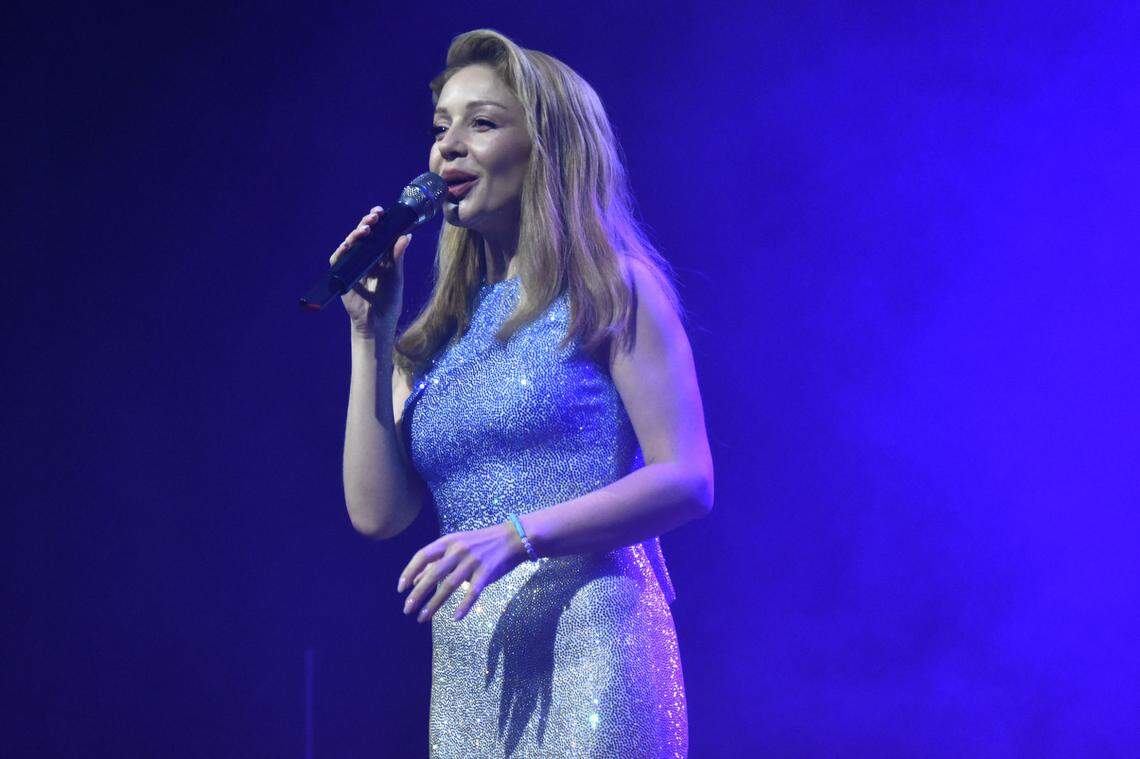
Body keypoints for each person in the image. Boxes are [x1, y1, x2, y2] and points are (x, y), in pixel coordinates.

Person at [329, 28, 713, 758]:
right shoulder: (431, 336)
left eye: (483, 122)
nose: (448, 146)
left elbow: (687, 476)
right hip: (472, 669)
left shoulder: (611, 288)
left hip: (596, 644)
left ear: (549, 147)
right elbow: (378, 513)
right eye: (440, 127)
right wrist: (369, 336)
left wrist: (516, 535)